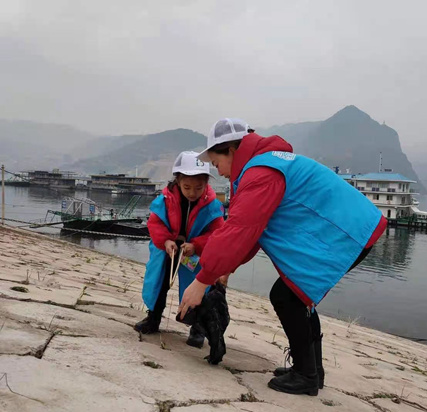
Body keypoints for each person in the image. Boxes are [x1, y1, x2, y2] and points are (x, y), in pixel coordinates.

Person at [177, 118, 387, 396]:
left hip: (348, 232)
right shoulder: (265, 163)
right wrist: (223, 269)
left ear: (231, 150)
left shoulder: (260, 173)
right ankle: (311, 370)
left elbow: (239, 231)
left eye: (216, 163)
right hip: (351, 229)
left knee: (287, 296)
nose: (219, 171)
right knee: (297, 295)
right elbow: (250, 233)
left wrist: (202, 280)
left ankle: (306, 375)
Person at [134, 151, 225, 349]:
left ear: (206, 184)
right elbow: (155, 223)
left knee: (199, 288)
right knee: (159, 283)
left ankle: (198, 328)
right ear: (178, 181)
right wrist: (166, 241)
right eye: (187, 187)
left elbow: (217, 233)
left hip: (194, 254)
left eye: (198, 188)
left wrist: (196, 245)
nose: (192, 193)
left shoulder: (212, 206)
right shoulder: (165, 200)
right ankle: (153, 317)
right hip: (168, 250)